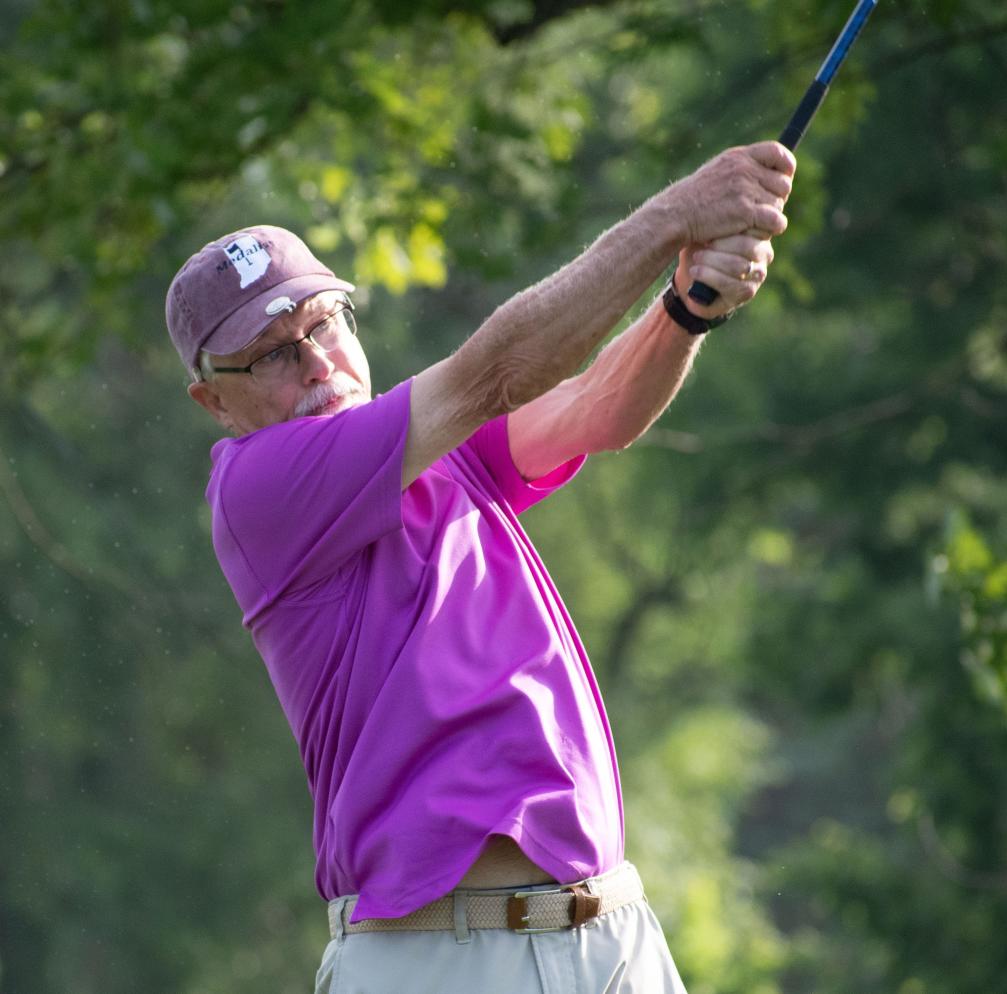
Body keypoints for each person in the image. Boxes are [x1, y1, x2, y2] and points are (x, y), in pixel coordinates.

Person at [165, 141, 795, 994]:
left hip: (610, 935)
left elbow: (595, 405)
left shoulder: (437, 449)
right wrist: (678, 216)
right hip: (440, 960)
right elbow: (496, 371)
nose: (316, 362)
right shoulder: (259, 491)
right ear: (214, 399)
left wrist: (685, 309)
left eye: (322, 323)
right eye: (273, 353)